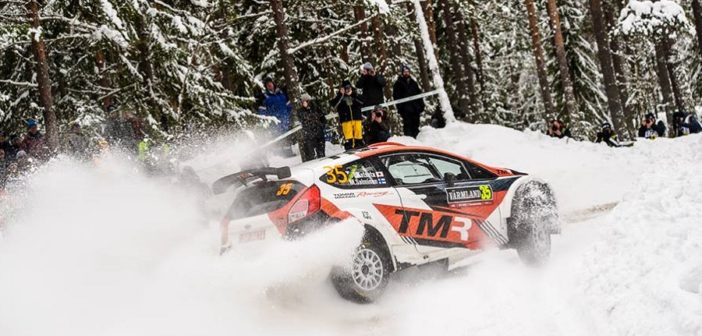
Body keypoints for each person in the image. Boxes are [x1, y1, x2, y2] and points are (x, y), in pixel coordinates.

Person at [330, 80, 364, 150]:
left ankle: (360, 146)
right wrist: (340, 94)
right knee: (349, 139)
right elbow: (333, 105)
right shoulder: (340, 97)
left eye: (349, 88)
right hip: (346, 121)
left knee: (358, 136)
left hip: (357, 119)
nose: (347, 90)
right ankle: (350, 148)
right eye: (346, 88)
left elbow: (362, 102)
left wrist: (353, 94)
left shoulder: (355, 95)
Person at [393, 64, 425, 138]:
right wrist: (401, 108)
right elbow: (396, 97)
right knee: (408, 128)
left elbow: (419, 95)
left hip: (415, 109)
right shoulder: (398, 84)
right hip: (406, 110)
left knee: (416, 126)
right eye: (405, 72)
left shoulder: (413, 83)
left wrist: (421, 105)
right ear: (402, 73)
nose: (406, 73)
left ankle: (417, 142)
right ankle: (410, 142)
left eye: (408, 71)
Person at [298, 93, 326, 161]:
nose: (302, 103)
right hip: (309, 136)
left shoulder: (316, 108)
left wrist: (321, 126)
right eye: (301, 102)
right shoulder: (300, 111)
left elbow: (323, 119)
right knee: (311, 156)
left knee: (321, 154)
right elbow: (301, 120)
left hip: (319, 134)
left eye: (303, 101)